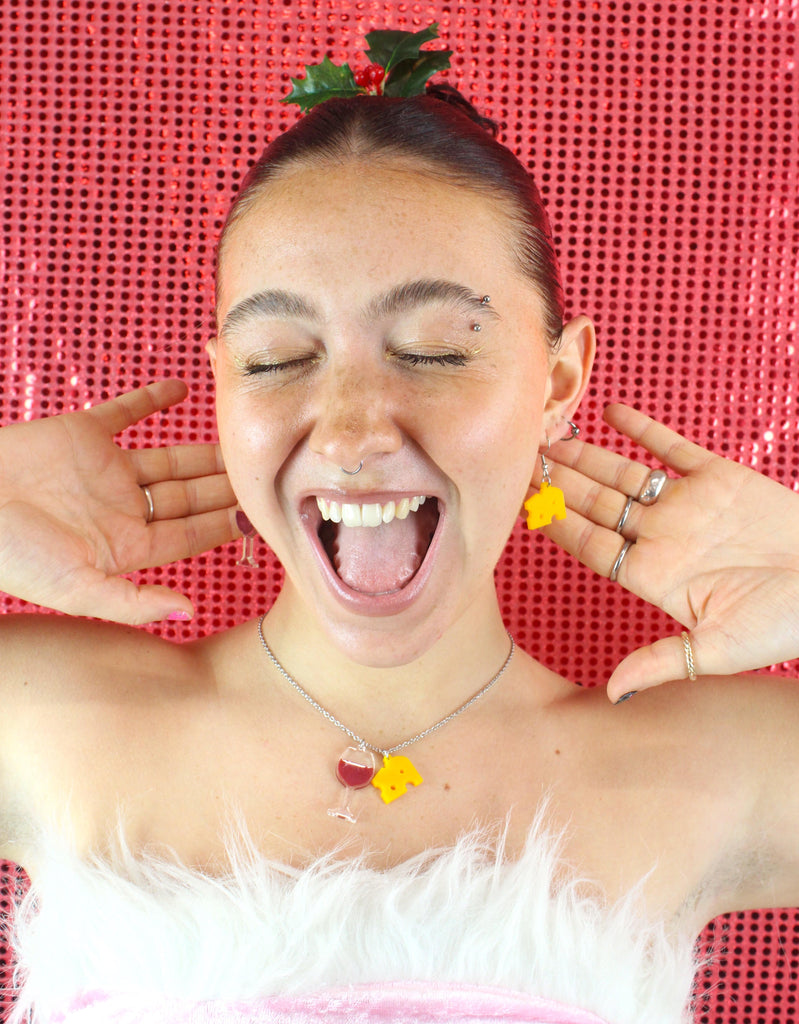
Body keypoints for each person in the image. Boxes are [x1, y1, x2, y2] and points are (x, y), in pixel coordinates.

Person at [1, 80, 798, 1024]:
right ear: (220, 388)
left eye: (433, 351)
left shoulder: (712, 764)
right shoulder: (47, 711)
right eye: (274, 359)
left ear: (558, 379)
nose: (348, 432)